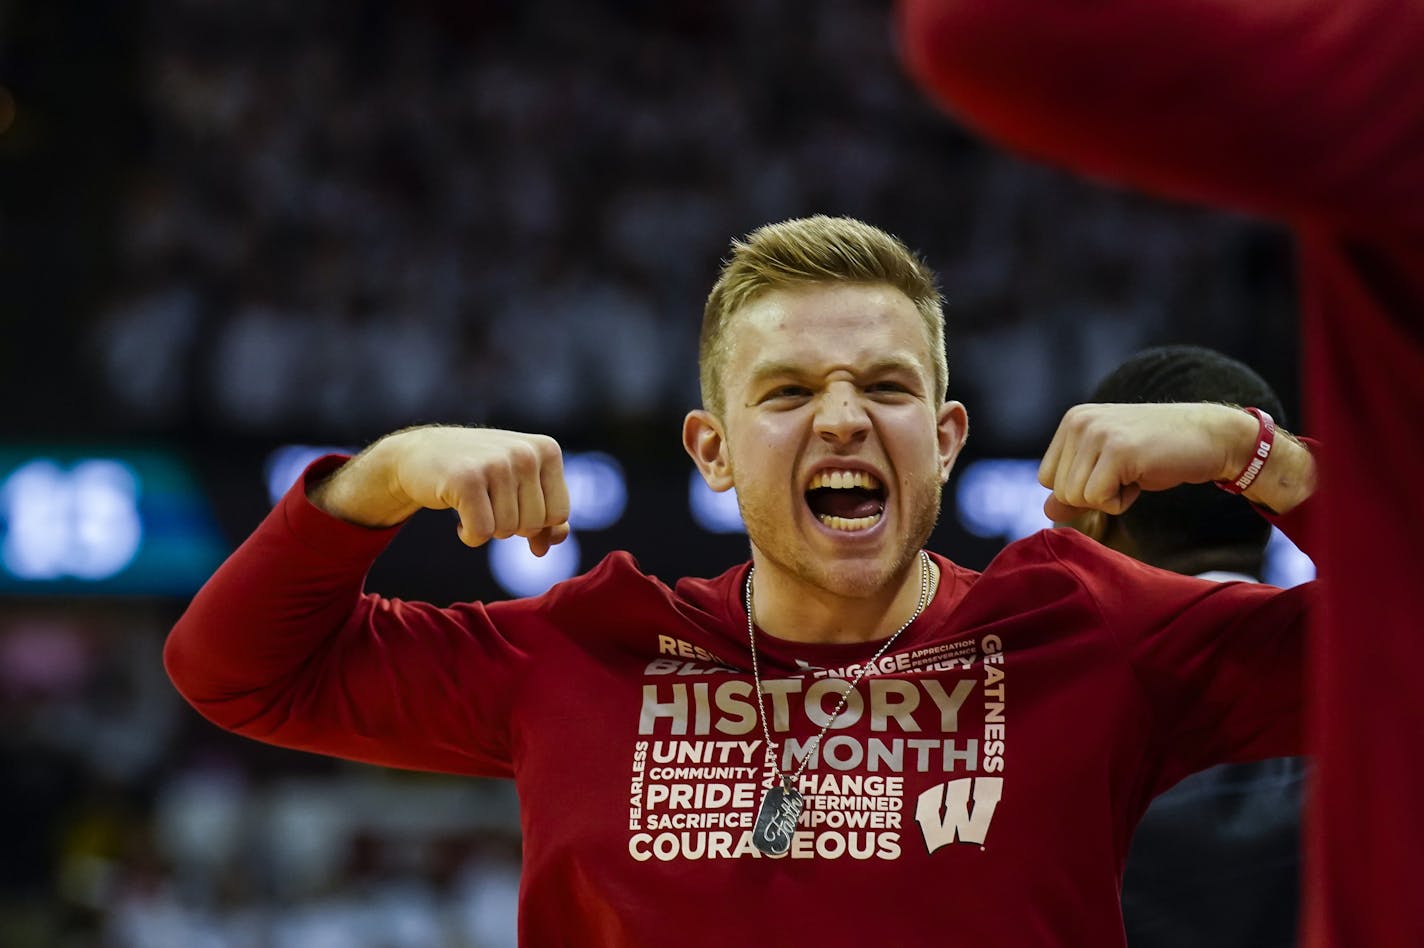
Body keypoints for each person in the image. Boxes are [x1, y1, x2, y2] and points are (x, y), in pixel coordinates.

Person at [166, 216, 1321, 946]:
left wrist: (1258, 457)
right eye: (784, 394)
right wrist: (377, 478)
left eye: (885, 385)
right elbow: (238, 673)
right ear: (710, 452)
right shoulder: (581, 648)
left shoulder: (1090, 630)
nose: (840, 417)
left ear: (947, 435)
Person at [894, 5, 1424, 944]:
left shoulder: (989, 755)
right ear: (1261, 518)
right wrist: (1257, 452)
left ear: (1089, 531)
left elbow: (971, 27)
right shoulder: (1356, 664)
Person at [1062, 344, 1307, 948]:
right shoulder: (1382, 701)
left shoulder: (1036, 736)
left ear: (1094, 518)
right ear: (1270, 511)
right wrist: (1249, 455)